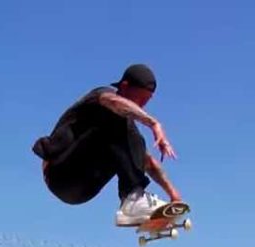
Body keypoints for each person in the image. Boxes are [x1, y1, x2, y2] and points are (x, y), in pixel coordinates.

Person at [32, 64, 183, 226]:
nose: (142, 104)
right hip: (59, 172)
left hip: (82, 191)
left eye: (147, 100)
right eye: (140, 98)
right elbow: (112, 102)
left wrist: (174, 196)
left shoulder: (125, 133)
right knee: (117, 116)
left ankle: (134, 201)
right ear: (124, 86)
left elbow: (147, 162)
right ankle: (133, 200)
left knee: (135, 144)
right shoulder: (102, 95)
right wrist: (153, 124)